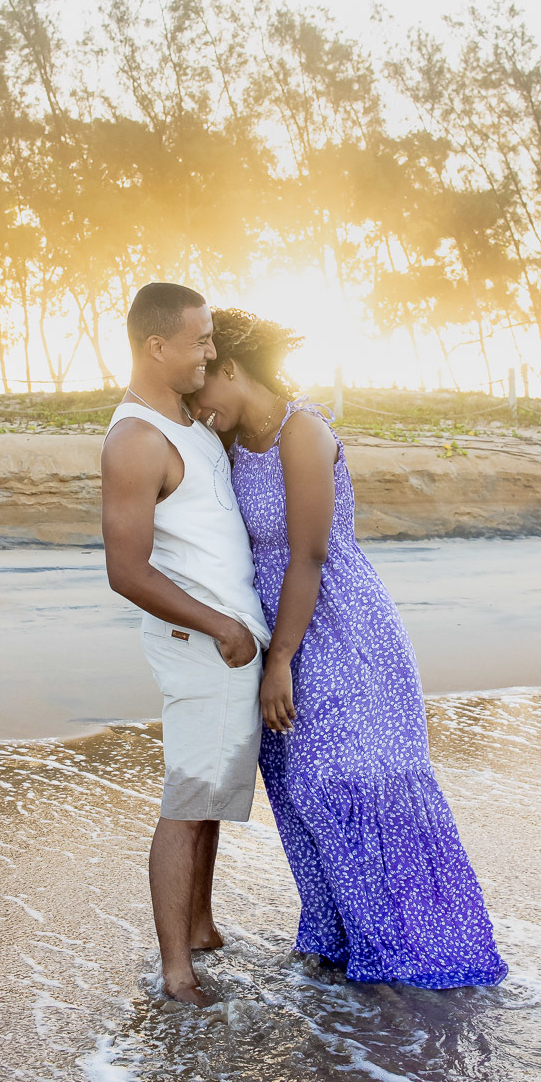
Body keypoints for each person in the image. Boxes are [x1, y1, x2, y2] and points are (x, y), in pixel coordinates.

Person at [188, 307, 508, 989]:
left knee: (348, 780)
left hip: (338, 626)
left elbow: (307, 556)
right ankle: (339, 939)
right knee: (299, 788)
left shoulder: (302, 432)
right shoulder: (228, 440)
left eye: (200, 387)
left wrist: (280, 664)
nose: (195, 404)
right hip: (276, 628)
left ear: (231, 368)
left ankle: (412, 948)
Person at [101, 283, 270, 1008]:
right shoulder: (136, 439)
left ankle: (199, 928)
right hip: (202, 643)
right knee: (185, 801)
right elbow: (126, 571)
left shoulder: (193, 423)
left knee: (208, 796)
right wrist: (222, 626)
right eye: (199, 340)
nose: (210, 351)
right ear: (155, 347)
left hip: (228, 644)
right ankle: (176, 971)